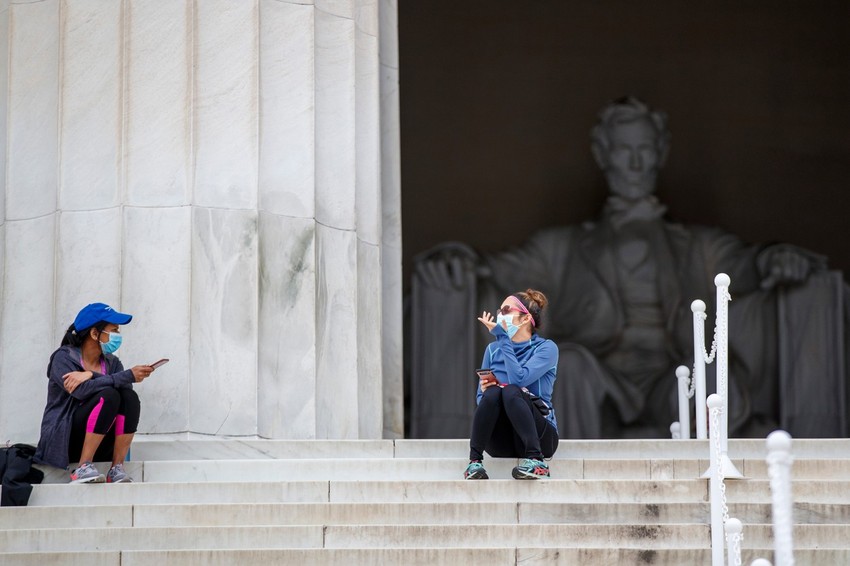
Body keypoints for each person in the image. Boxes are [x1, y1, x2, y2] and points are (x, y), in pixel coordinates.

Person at [412, 96, 839, 440]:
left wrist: (773, 257)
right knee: (569, 365)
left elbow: (746, 262)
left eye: (644, 150)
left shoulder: (697, 247)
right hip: (601, 374)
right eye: (622, 150)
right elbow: (496, 270)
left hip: (669, 371)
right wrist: (455, 257)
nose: (634, 163)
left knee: (707, 376)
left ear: (660, 153)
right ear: (603, 154)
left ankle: (714, 495)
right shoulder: (562, 248)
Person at [35, 303, 155, 483]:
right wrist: (123, 376)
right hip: (65, 440)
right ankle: (83, 467)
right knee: (108, 395)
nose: (118, 335)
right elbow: (81, 391)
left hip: (101, 439)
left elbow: (125, 393)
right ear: (94, 333)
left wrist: (91, 374)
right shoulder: (63, 358)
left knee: (129, 397)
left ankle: (116, 468)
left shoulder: (113, 363)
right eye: (114, 330)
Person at [464, 289, 559, 480]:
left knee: (511, 390)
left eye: (506, 311)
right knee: (492, 394)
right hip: (501, 442)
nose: (500, 315)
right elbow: (481, 399)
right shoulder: (492, 350)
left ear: (525, 319)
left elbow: (518, 380)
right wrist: (487, 391)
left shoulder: (546, 348)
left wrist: (503, 338)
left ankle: (537, 463)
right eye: (499, 311)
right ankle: (474, 462)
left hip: (541, 439)